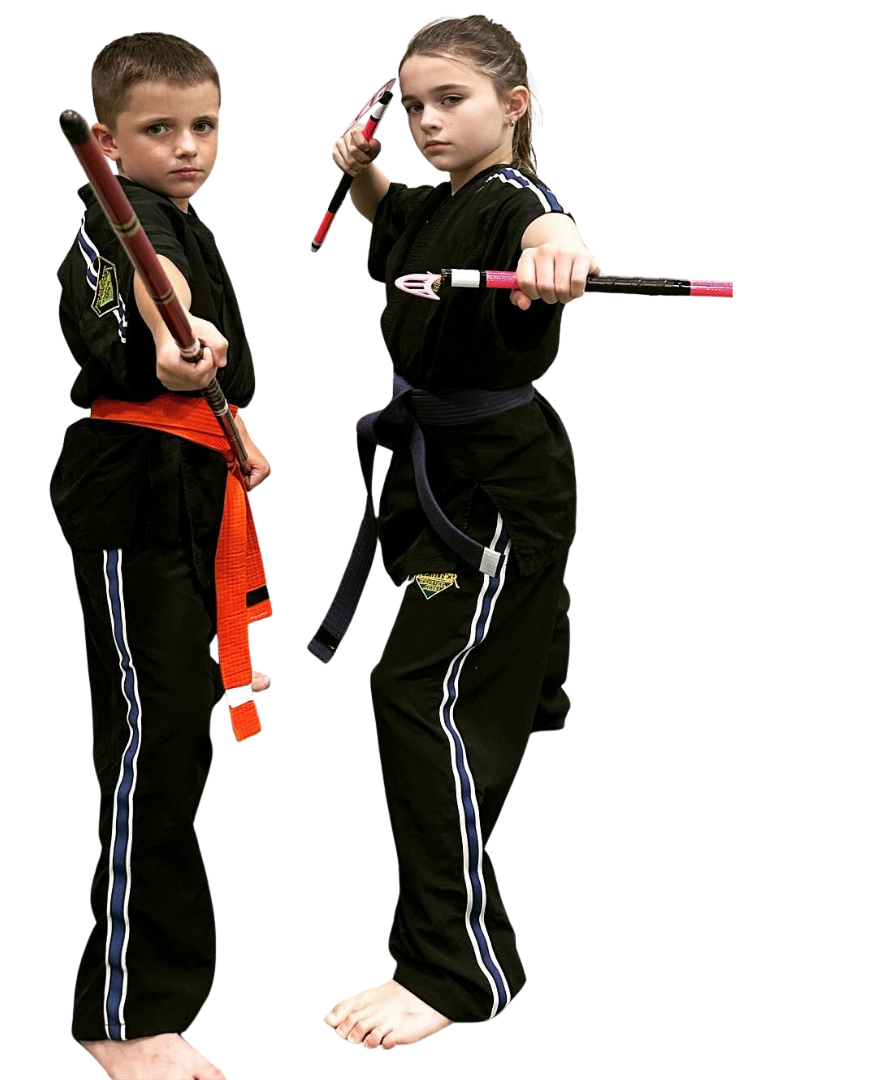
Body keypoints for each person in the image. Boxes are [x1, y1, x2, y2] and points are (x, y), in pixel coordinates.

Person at [313, 15, 600, 1051]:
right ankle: (530, 699)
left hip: (491, 501)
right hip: (437, 491)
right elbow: (401, 229)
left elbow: (545, 227)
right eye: (414, 104)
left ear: (515, 105)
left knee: (417, 695)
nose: (428, 122)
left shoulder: (517, 203)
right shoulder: (445, 201)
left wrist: (560, 251)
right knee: (464, 636)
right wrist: (360, 176)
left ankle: (459, 969)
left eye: (454, 102)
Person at [51, 32, 272, 1080]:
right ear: (105, 140)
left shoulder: (190, 225)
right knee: (149, 749)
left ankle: (149, 992)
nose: (187, 148)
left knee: (180, 732)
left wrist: (232, 423)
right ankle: (121, 1013)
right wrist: (179, 350)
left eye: (204, 127)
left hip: (193, 493)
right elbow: (149, 304)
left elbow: (207, 354)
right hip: (129, 511)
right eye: (158, 130)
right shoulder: (112, 232)